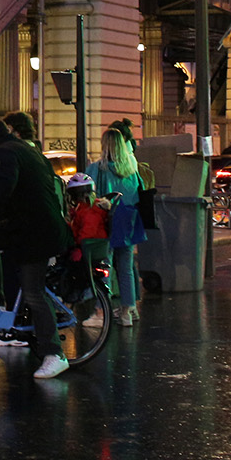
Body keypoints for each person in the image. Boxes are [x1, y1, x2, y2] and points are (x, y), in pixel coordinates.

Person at [0, 117, 73, 379]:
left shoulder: (5, 152)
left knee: (34, 291)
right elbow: (0, 186)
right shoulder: (25, 149)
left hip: (37, 231)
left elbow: (4, 186)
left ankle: (54, 354)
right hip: (31, 225)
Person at [86, 124, 145, 325]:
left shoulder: (97, 168)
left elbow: (88, 195)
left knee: (105, 267)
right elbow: (140, 194)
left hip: (108, 222)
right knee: (126, 267)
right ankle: (129, 311)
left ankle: (101, 312)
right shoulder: (132, 170)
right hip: (130, 221)